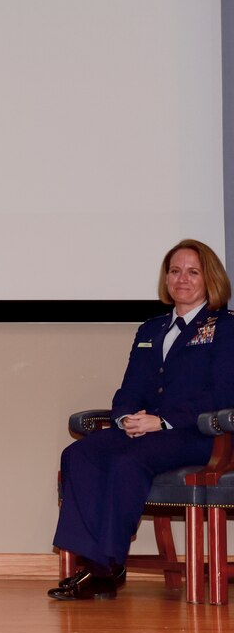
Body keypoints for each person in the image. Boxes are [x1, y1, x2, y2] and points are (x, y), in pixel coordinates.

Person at [50, 239, 234, 600]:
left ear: (209, 278)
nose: (182, 279)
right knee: (80, 455)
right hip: (148, 431)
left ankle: (105, 566)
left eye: (192, 272)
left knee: (128, 461)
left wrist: (161, 420)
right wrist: (124, 419)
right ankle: (96, 562)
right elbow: (131, 387)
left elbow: (221, 395)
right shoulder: (151, 330)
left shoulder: (224, 327)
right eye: (175, 271)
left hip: (197, 433)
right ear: (166, 279)